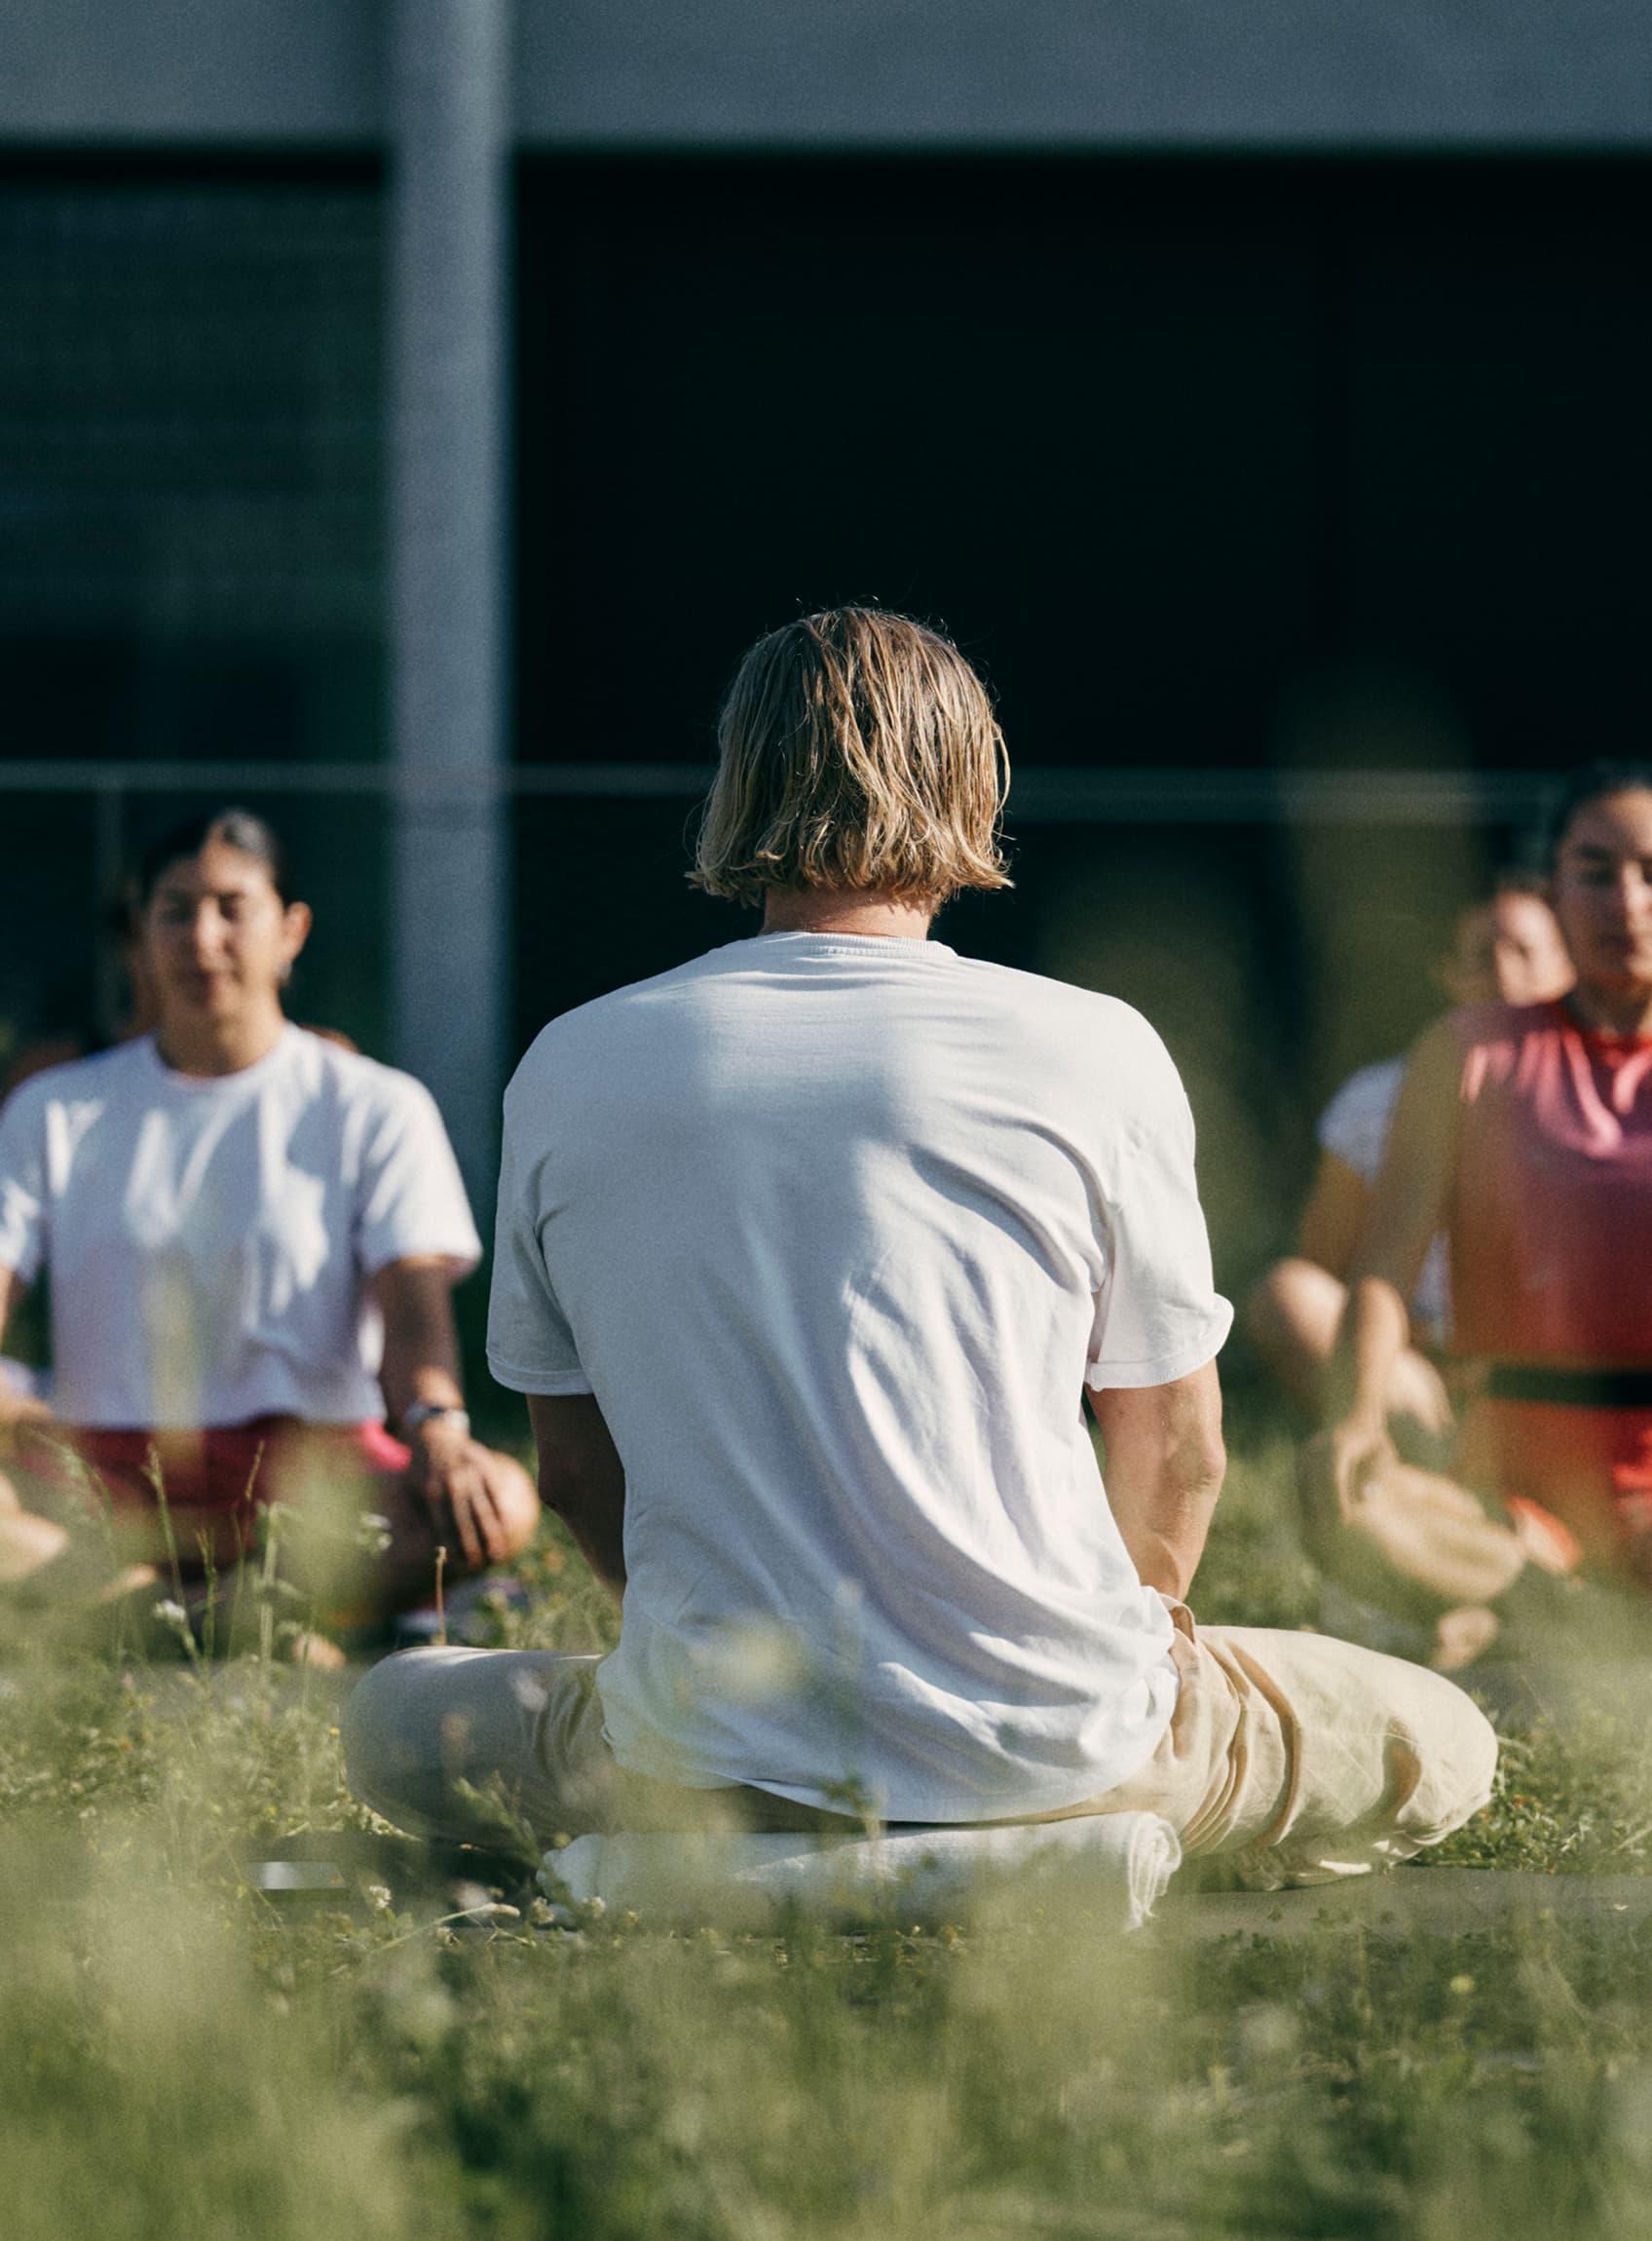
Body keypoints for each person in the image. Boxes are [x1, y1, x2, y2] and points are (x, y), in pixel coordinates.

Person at [345, 608, 1494, 1885]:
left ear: (737, 781)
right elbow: (1178, 1447)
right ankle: (1067, 1845)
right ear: (973, 780)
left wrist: (725, 1677)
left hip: (705, 1761)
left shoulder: (570, 1061)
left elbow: (570, 1470)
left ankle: (738, 1857)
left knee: (392, 1723)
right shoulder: (1095, 1046)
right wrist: (1138, 1645)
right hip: (1066, 1751)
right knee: (1439, 1736)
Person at [0, 809, 538, 1645]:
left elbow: (414, 1313)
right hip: (104, 1483)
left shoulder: (373, 1105)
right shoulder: (55, 1109)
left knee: (501, 1500)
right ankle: (241, 1618)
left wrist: (441, 1431)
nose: (201, 936)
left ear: (291, 930)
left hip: (314, 1482)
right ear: (140, 936)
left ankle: (143, 1618)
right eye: (174, 911)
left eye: (230, 906)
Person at [1303, 761, 1652, 1650]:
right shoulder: (1468, 1054)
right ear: (1553, 888)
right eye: (1596, 871)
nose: (1626, 902)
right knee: (1354, 1504)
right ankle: (1539, 1604)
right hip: (1512, 1489)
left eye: (1651, 874)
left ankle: (1527, 1623)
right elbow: (1381, 1266)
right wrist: (1355, 1421)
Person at [1245, 875, 1572, 1434]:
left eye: (1524, 951)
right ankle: (1405, 1446)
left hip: (1565, 1377)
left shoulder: (1620, 1097)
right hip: (1417, 1368)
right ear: (1449, 975)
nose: (1503, 975)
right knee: (1286, 1296)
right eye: (1481, 957)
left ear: (1569, 965)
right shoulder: (1374, 1103)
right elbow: (1324, 1269)